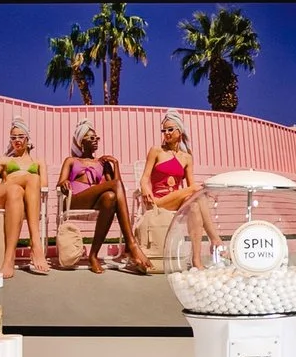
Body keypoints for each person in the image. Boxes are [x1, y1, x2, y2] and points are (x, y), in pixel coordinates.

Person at [56, 119, 152, 275]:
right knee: (113, 188)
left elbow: (117, 185)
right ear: (81, 141)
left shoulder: (102, 163)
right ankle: (131, 244)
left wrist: (116, 164)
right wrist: (65, 181)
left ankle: (93, 255)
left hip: (95, 201)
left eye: (97, 138)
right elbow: (60, 182)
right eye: (91, 138)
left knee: (109, 197)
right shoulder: (72, 160)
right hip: (75, 199)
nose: (95, 141)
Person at [146, 114, 222, 269]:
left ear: (179, 132)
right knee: (196, 190)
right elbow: (145, 177)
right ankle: (215, 239)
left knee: (195, 203)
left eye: (170, 129)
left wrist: (199, 193)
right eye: (164, 130)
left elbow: (191, 185)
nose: (166, 133)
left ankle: (196, 260)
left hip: (177, 201)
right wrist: (145, 190)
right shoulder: (156, 151)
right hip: (159, 201)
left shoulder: (187, 157)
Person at [0, 120, 49, 278]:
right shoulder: (4, 160)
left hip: (19, 200)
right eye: (13, 137)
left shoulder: (38, 162)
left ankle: (8, 260)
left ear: (28, 139)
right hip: (1, 197)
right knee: (29, 179)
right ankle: (35, 243)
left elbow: (43, 187)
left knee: (17, 190)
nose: (17, 140)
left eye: (20, 136)